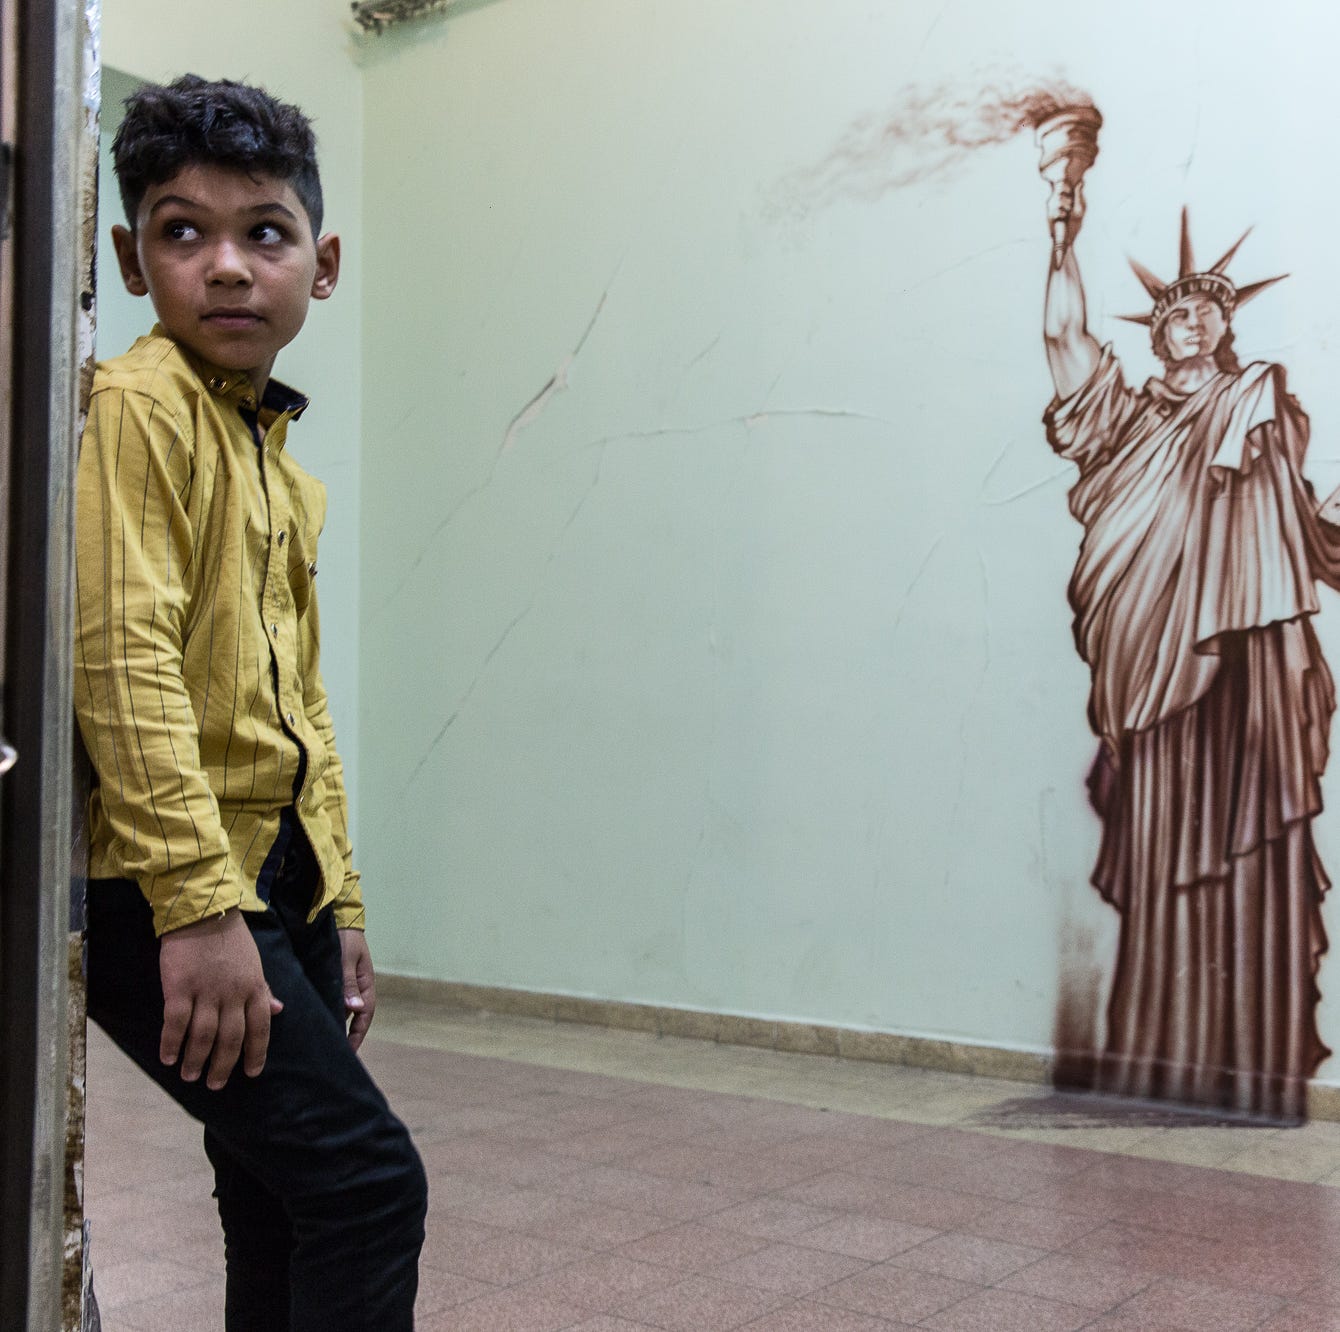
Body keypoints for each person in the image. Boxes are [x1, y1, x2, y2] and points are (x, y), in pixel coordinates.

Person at [74, 75, 427, 1329]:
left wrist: (338, 901)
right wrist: (201, 907)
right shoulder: (139, 412)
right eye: (183, 232)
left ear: (318, 264)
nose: (225, 267)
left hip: (265, 873)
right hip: (164, 880)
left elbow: (300, 710)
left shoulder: (276, 465)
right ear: (130, 258)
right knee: (368, 1182)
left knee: (277, 1187)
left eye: (261, 233)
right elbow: (123, 661)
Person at [1042, 186, 1340, 1121]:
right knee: (1172, 840)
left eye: (1208, 308)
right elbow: (1062, 345)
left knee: (1243, 839)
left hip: (1244, 663)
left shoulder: (1256, 400)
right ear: (1158, 332)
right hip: (1152, 665)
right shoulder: (1126, 422)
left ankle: (1243, 1050)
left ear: (1224, 326)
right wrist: (1062, 231)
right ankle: (1162, 1048)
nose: (1193, 321)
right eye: (1176, 311)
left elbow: (1294, 519)